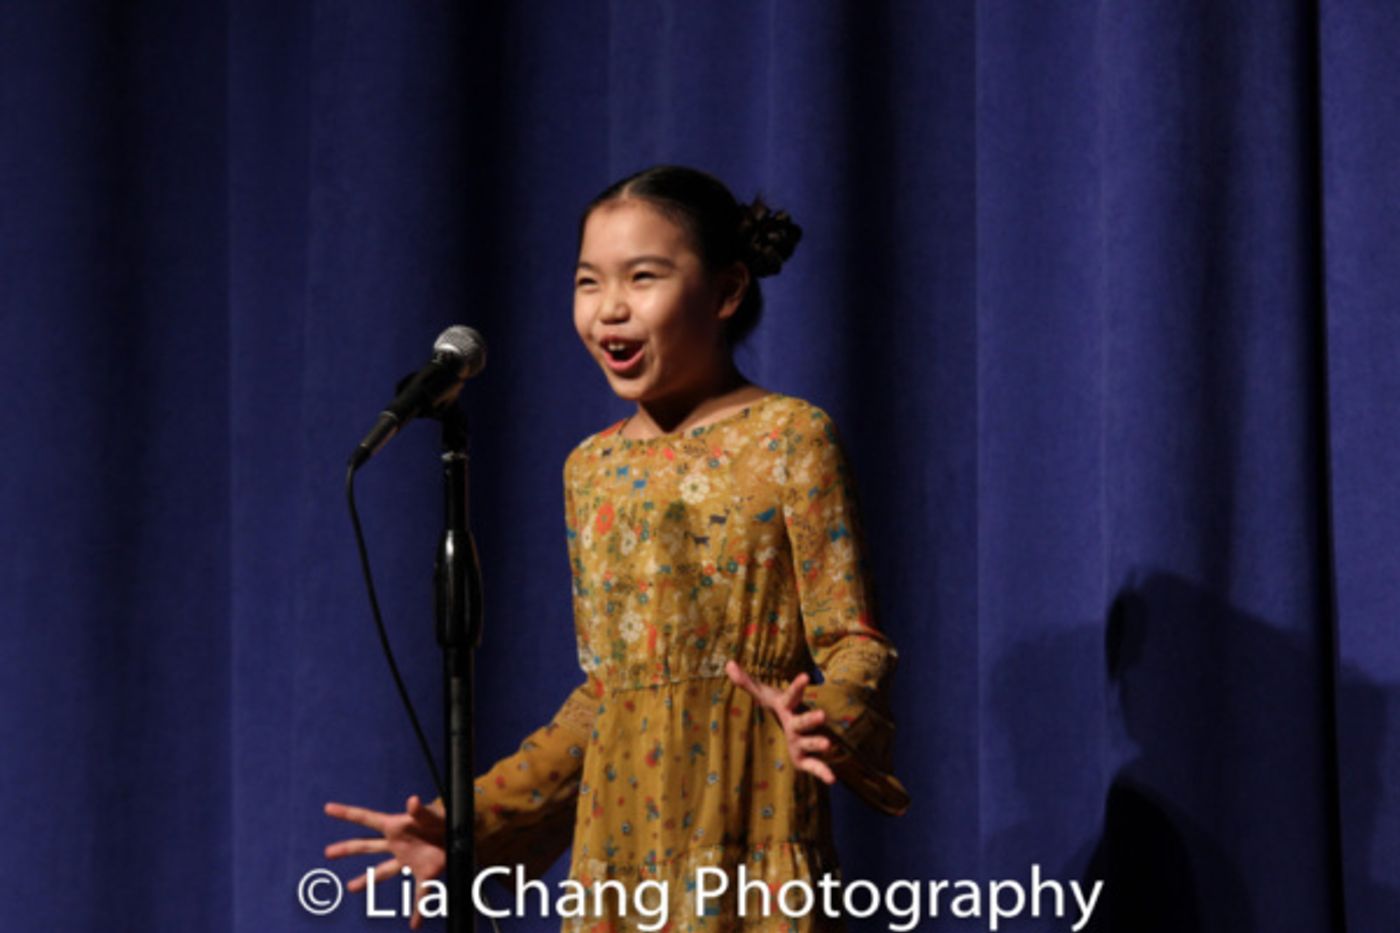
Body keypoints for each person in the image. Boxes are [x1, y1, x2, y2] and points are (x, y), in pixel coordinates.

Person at [325, 164, 909, 931]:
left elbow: (853, 640)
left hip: (748, 840)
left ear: (727, 291)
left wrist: (827, 713)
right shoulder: (591, 468)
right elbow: (604, 696)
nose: (610, 310)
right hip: (620, 863)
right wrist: (469, 824)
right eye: (588, 283)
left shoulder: (791, 438)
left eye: (643, 277)